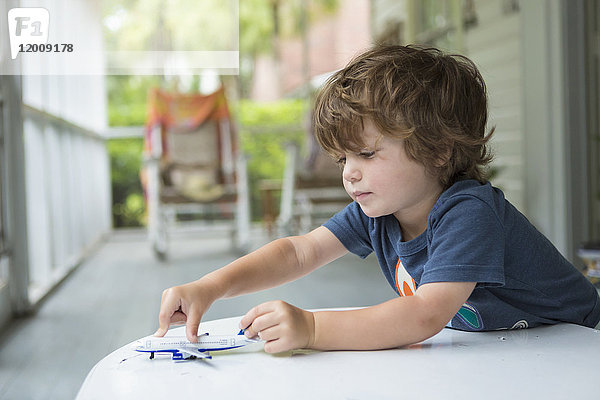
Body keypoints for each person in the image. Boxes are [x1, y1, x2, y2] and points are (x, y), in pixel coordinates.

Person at [155, 45, 600, 354]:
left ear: (439, 150)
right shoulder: (381, 211)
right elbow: (298, 251)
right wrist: (208, 287)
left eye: (366, 153)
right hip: (514, 350)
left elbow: (424, 316)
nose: (349, 171)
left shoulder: (469, 213)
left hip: (579, 344)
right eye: (343, 156)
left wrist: (311, 327)